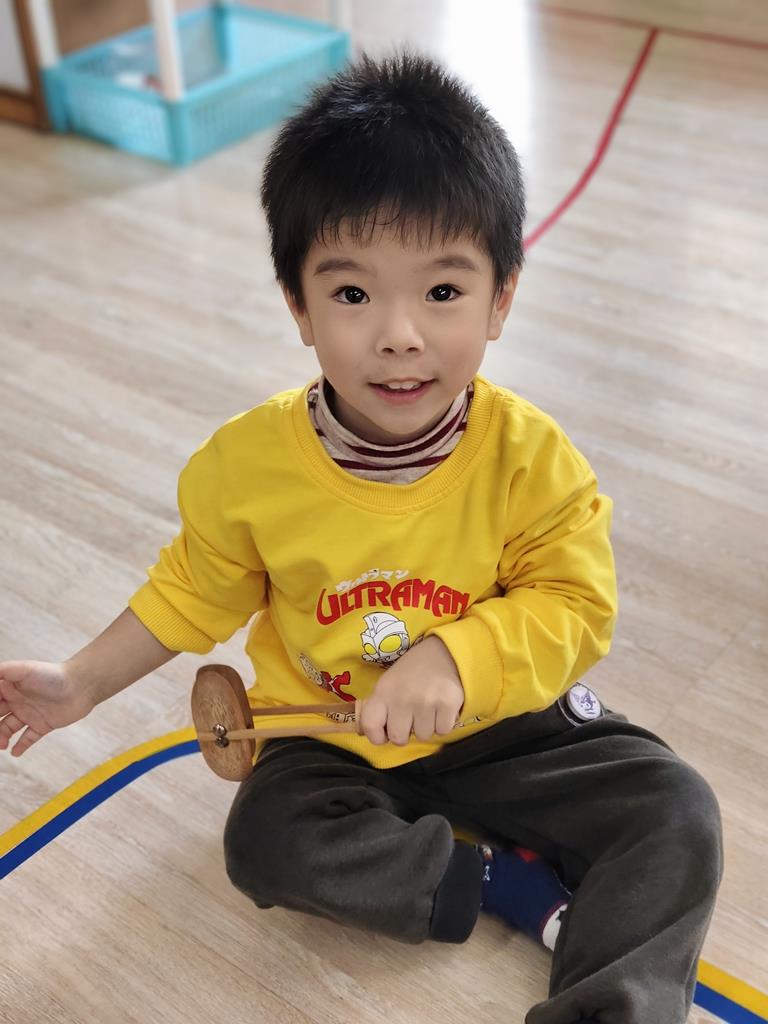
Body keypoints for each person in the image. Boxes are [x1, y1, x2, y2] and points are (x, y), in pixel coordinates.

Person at [0, 50, 722, 1024]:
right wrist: (81, 681)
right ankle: (500, 882)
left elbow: (574, 606)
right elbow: (191, 590)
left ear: (502, 298)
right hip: (330, 730)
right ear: (298, 306)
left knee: (675, 810)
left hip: (500, 724)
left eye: (442, 292)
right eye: (351, 295)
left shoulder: (534, 460)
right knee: (265, 840)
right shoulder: (246, 466)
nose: (399, 335)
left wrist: (459, 658)